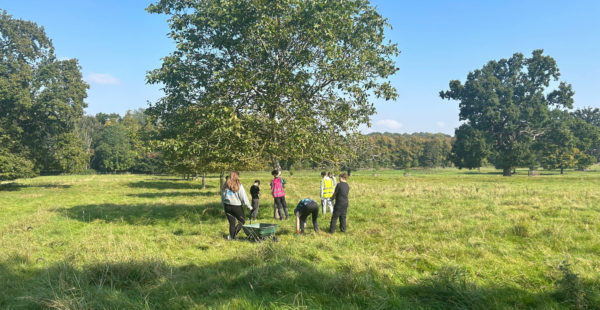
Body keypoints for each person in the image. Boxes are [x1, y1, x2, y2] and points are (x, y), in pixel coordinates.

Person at [221, 171, 253, 240]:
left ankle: (231, 237)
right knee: (242, 221)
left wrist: (224, 207)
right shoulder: (238, 185)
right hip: (236, 206)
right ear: (236, 177)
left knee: (232, 223)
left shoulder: (225, 185)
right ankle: (233, 236)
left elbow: (222, 198)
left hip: (227, 206)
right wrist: (249, 206)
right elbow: (243, 197)